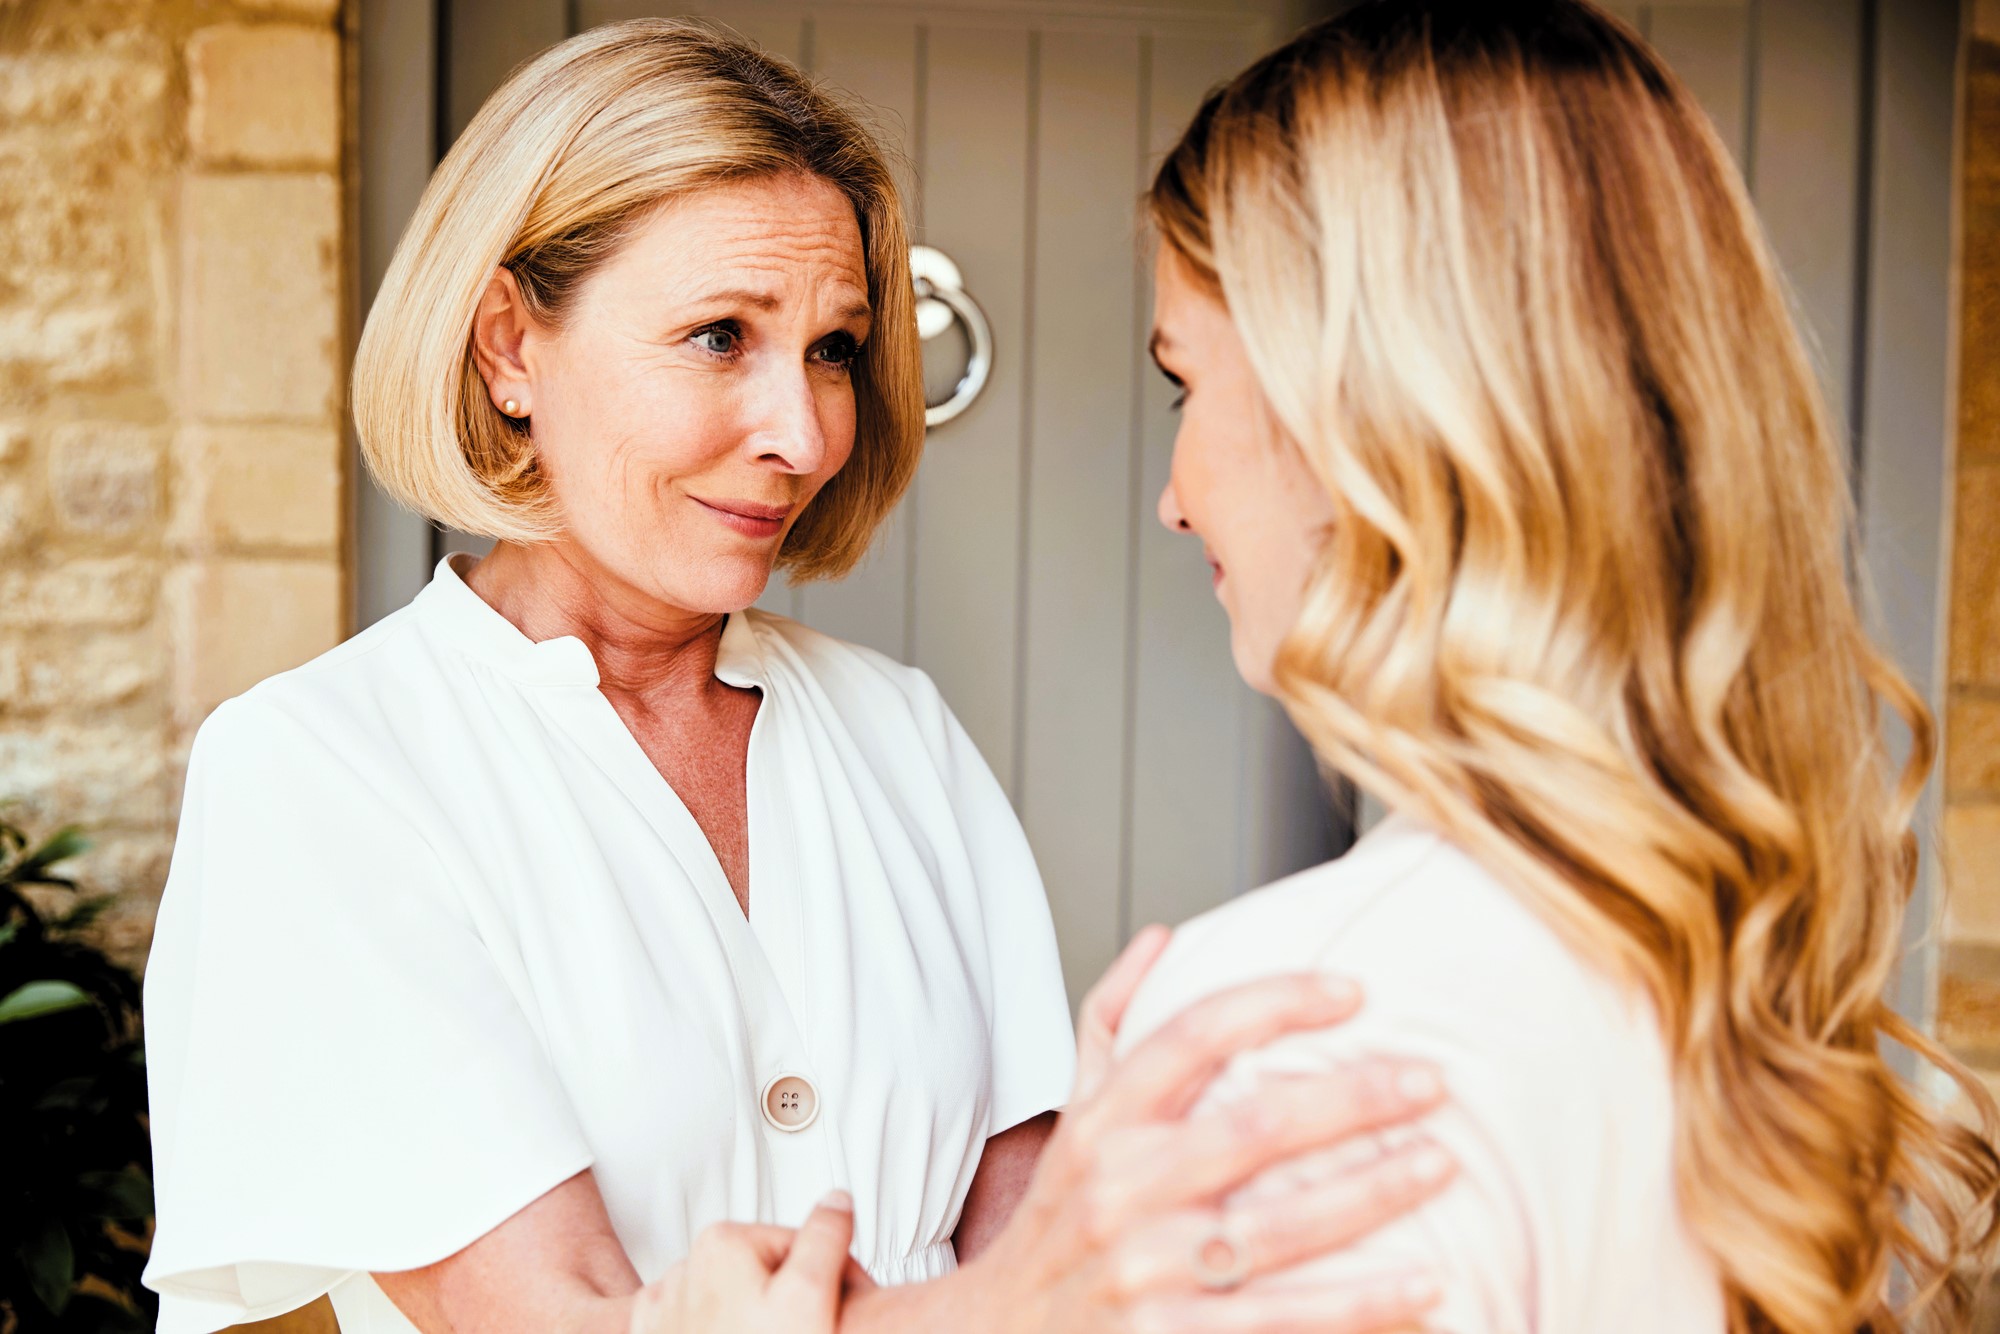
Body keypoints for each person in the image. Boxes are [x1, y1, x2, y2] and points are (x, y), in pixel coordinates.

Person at [139, 20, 1456, 1334]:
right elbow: (566, 1315)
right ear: (507, 347)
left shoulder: (898, 732)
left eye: (833, 347)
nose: (807, 429)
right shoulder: (325, 768)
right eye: (721, 336)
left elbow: (1045, 1257)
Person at [1119, 2, 2000, 1330]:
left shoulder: (1273, 1037)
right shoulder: (1749, 1001)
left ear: (1367, 411)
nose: (1177, 499)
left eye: (1187, 384)